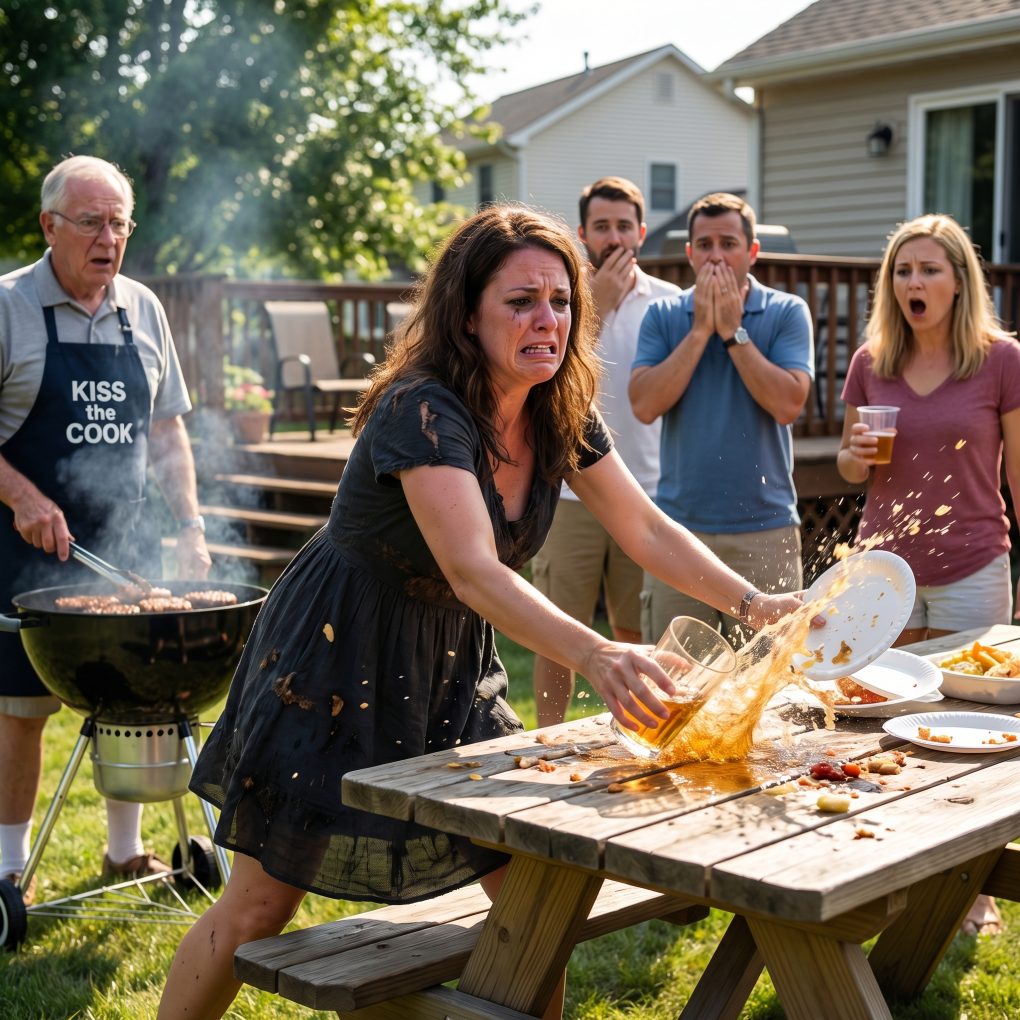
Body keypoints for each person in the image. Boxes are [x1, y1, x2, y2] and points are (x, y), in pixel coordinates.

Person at [157, 204, 806, 1020]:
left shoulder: (559, 408)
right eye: (522, 300)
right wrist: (600, 655)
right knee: (260, 905)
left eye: (563, 300)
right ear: (466, 314)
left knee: (533, 896)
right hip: (335, 651)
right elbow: (471, 569)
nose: (549, 320)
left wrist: (755, 603)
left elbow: (642, 526)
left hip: (452, 664)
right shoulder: (420, 408)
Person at [0, 155, 212, 900]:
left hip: (122, 540)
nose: (108, 237)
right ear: (49, 226)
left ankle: (124, 852)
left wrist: (189, 525)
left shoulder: (142, 308)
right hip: (21, 543)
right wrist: (23, 497)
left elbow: (167, 430)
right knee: (23, 709)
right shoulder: (7, 306)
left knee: (129, 694)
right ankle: (7, 867)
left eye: (119, 222)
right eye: (90, 222)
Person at [837, 212, 1020, 937]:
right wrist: (857, 452)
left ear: (957, 281)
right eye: (903, 271)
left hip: (974, 566)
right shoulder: (869, 363)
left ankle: (969, 892)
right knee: (879, 726)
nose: (914, 281)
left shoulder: (1002, 360)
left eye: (929, 269)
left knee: (970, 733)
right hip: (883, 575)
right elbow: (854, 471)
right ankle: (884, 872)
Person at [629, 192, 814, 644]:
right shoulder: (664, 314)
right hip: (679, 530)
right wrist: (700, 332)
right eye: (705, 244)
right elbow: (644, 405)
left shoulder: (787, 311)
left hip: (764, 527)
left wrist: (734, 333)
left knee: (769, 678)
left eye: (728, 243)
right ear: (689, 254)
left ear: (751, 252)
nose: (716, 256)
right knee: (674, 680)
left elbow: (789, 404)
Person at [531, 177, 679, 725]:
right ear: (582, 234)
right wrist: (599, 308)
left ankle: (632, 731)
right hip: (567, 493)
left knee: (634, 631)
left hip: (647, 490)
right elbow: (551, 376)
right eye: (602, 227)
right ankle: (545, 737)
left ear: (641, 233)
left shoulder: (669, 303)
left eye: (624, 226)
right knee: (558, 629)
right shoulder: (561, 304)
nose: (614, 238)